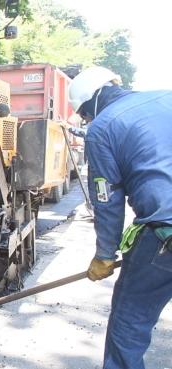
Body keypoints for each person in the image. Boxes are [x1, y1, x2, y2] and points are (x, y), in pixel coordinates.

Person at [68, 66, 172, 369]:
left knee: (129, 327)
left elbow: (107, 201)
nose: (88, 121)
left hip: (164, 234)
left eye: (85, 115)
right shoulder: (167, 98)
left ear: (91, 103)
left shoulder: (103, 128)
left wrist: (104, 254)